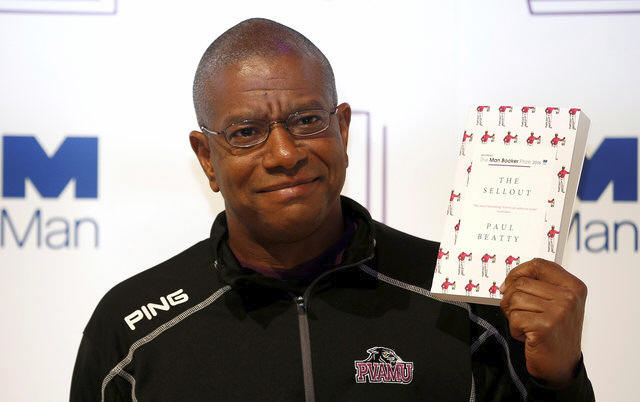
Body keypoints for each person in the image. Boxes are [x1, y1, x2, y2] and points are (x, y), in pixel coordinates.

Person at [70, 18, 594, 401]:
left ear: (342, 129)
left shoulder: (468, 303)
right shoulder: (130, 332)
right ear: (207, 157)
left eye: (306, 121)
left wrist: (560, 381)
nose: (284, 154)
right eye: (246, 132)